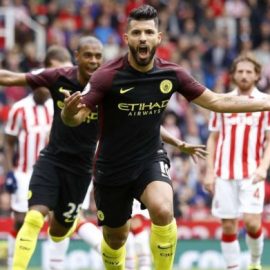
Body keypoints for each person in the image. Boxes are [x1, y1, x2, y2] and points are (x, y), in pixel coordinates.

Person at [61, 5, 270, 270]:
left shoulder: (172, 73)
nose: (143, 38)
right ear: (127, 39)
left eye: (149, 32)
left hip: (150, 157)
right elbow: (76, 118)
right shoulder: (107, 76)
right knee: (116, 239)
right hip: (111, 166)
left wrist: (266, 103)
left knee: (163, 209)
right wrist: (68, 114)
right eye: (137, 32)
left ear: (159, 37)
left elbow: (217, 101)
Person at [0, 35, 206, 270]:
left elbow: (142, 123)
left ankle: (76, 224)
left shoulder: (109, 85)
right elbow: (11, 77)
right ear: (77, 57)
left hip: (84, 168)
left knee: (58, 232)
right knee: (34, 216)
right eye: (88, 55)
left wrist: (178, 142)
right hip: (52, 159)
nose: (94, 60)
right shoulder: (59, 77)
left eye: (98, 56)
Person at [204, 54, 270, 270]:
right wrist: (209, 171)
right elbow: (213, 138)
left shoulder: (265, 103)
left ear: (257, 75)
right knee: (228, 225)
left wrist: (263, 167)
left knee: (252, 222)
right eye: (240, 71)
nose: (244, 75)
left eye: (249, 72)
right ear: (232, 75)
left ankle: (254, 263)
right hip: (223, 173)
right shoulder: (221, 101)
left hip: (252, 173)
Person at [4, 72, 53, 270]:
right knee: (20, 220)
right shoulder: (19, 109)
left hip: (50, 172)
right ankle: (11, 262)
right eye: (40, 86)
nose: (45, 90)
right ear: (33, 86)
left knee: (51, 220)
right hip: (24, 172)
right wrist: (9, 173)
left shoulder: (54, 107)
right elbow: (8, 143)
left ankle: (50, 264)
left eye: (47, 86)